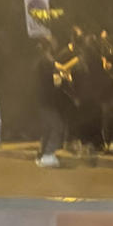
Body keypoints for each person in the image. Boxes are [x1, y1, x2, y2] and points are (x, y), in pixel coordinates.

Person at [35, 36, 68, 168]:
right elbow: (54, 80)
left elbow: (58, 67)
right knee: (57, 126)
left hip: (42, 99)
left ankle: (41, 155)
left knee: (47, 128)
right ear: (49, 46)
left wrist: (63, 70)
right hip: (47, 99)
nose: (56, 44)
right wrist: (63, 78)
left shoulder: (43, 59)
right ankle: (48, 155)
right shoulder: (46, 60)